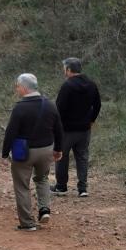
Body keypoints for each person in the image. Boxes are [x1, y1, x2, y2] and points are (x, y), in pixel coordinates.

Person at [1, 74, 64, 230]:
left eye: (17, 86)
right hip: (46, 150)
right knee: (42, 178)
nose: (16, 89)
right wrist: (58, 149)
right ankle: (44, 209)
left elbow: (11, 132)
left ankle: (27, 223)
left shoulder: (20, 107)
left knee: (22, 185)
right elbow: (59, 129)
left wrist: (4, 153)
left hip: (24, 152)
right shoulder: (50, 104)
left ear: (24, 88)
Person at [52, 57, 101, 198]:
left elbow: (58, 108)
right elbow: (98, 105)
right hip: (84, 129)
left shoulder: (67, 86)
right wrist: (92, 120)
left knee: (61, 156)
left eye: (64, 69)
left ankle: (61, 187)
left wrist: (55, 126)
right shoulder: (92, 84)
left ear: (68, 69)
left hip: (67, 130)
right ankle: (83, 188)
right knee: (82, 156)